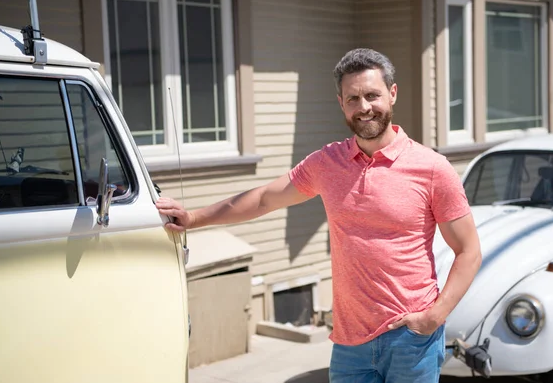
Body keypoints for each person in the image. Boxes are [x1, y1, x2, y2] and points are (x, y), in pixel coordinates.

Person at [156, 48, 482, 383]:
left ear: (392, 94)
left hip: (411, 339)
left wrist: (433, 317)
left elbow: (468, 251)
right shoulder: (328, 163)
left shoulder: (431, 168)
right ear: (341, 103)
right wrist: (194, 218)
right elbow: (265, 199)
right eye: (353, 98)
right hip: (349, 343)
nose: (364, 107)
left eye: (372, 95)